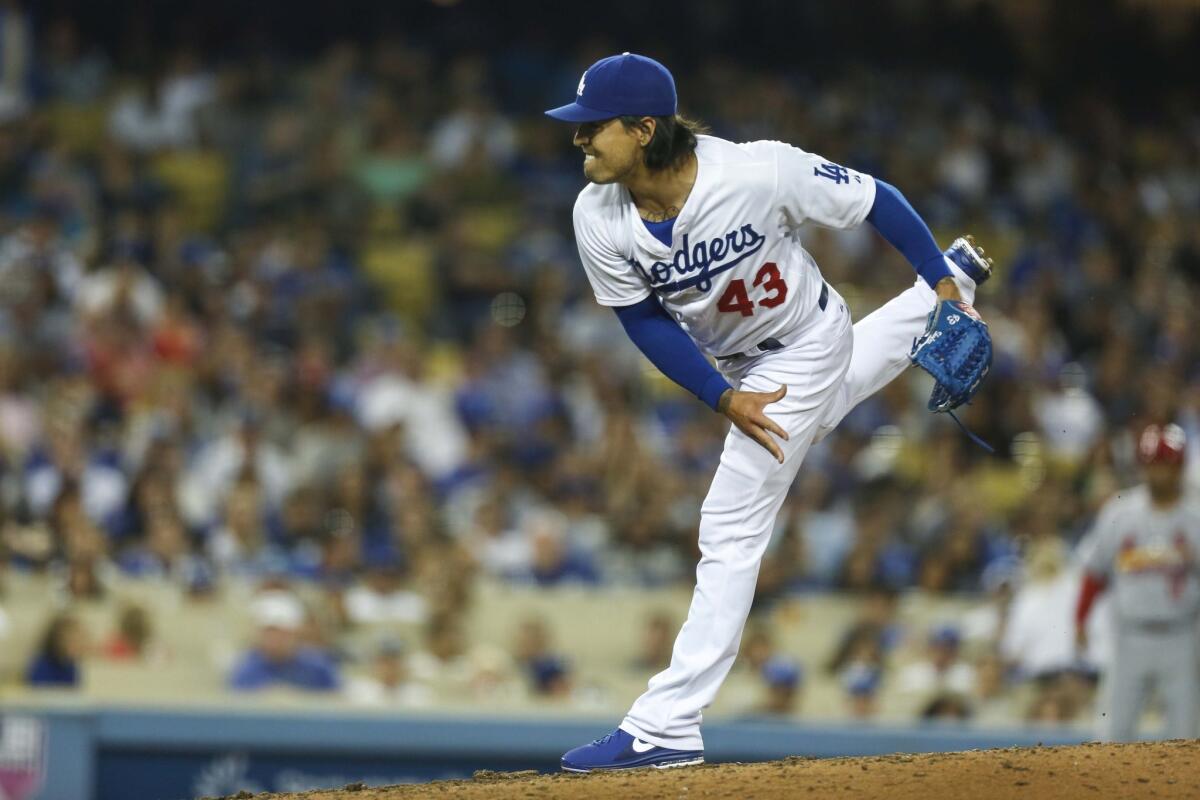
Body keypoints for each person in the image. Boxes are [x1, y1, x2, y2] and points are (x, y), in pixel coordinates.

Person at [547, 53, 991, 771]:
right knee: (825, 408)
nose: (579, 141)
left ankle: (667, 724)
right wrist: (722, 396)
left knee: (729, 523)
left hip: (801, 342)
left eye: (593, 127)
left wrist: (932, 274)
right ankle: (939, 298)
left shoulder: (757, 171)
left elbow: (875, 197)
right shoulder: (595, 214)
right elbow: (644, 322)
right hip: (741, 366)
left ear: (643, 127)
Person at [1075, 423, 1200, 741]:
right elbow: (1095, 571)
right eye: (1154, 464)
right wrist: (1080, 618)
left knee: (1186, 738)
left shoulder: (1196, 518)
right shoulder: (1120, 512)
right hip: (1128, 637)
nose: (1160, 472)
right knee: (1113, 734)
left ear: (1180, 467)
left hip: (1183, 636)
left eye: (1166, 464)